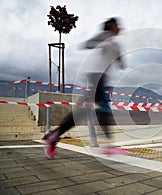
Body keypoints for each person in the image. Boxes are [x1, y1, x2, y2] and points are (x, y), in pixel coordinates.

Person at [43, 17, 125, 159]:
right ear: (111, 25)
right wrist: (105, 42)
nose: (120, 27)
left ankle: (54, 136)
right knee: (104, 108)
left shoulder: (114, 44)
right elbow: (87, 44)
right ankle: (108, 145)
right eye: (117, 25)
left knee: (82, 113)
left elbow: (122, 64)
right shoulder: (106, 36)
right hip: (95, 77)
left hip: (100, 79)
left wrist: (119, 57)